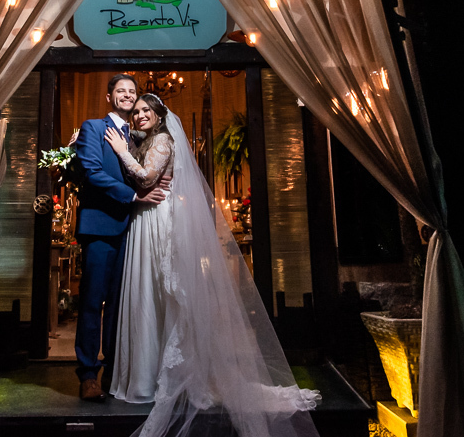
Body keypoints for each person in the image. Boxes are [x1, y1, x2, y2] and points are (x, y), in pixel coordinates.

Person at [104, 93, 321, 437]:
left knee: (163, 293)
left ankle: (162, 378)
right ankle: (149, 373)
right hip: (145, 218)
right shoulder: (146, 138)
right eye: (138, 111)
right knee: (152, 295)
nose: (140, 115)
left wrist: (120, 151)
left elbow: (146, 178)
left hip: (159, 218)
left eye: (147, 110)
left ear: (160, 116)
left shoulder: (162, 139)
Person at [73, 74, 169, 401]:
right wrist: (133, 197)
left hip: (135, 230)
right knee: (91, 302)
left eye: (132, 91)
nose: (128, 96)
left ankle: (116, 371)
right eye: (121, 91)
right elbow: (91, 170)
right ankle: (87, 374)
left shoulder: (139, 136)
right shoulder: (93, 128)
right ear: (109, 97)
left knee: (120, 303)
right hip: (100, 226)